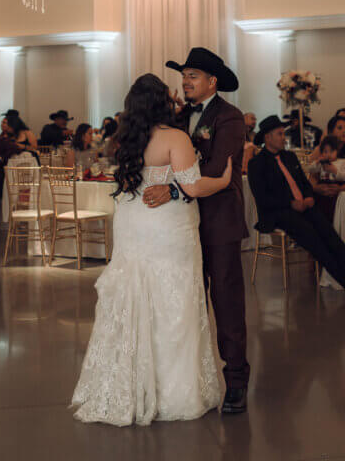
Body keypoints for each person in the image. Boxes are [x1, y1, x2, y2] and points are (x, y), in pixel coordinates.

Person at [71, 73, 232, 426]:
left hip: (133, 224)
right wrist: (221, 180)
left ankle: (129, 385)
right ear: (164, 102)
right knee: (173, 301)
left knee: (136, 295)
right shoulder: (175, 137)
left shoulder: (123, 139)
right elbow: (191, 186)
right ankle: (175, 391)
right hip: (169, 227)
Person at [142, 47, 249, 416]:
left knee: (226, 299)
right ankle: (189, 378)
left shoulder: (230, 118)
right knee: (188, 300)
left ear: (212, 82)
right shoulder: (179, 117)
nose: (185, 82)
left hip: (218, 221)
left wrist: (172, 188)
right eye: (183, 76)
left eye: (192, 76)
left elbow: (218, 168)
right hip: (181, 224)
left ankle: (236, 379)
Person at [248, 117, 345, 292]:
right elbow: (262, 198)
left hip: (302, 206)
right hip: (278, 212)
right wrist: (291, 203)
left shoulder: (289, 157)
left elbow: (305, 183)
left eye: (283, 133)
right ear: (267, 138)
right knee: (310, 233)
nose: (284, 137)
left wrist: (309, 197)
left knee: (324, 225)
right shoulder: (257, 164)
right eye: (280, 134)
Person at [310, 114, 345, 219]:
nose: (344, 131)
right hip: (325, 187)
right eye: (339, 128)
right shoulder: (321, 149)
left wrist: (340, 189)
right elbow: (313, 175)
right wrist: (316, 188)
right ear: (331, 131)